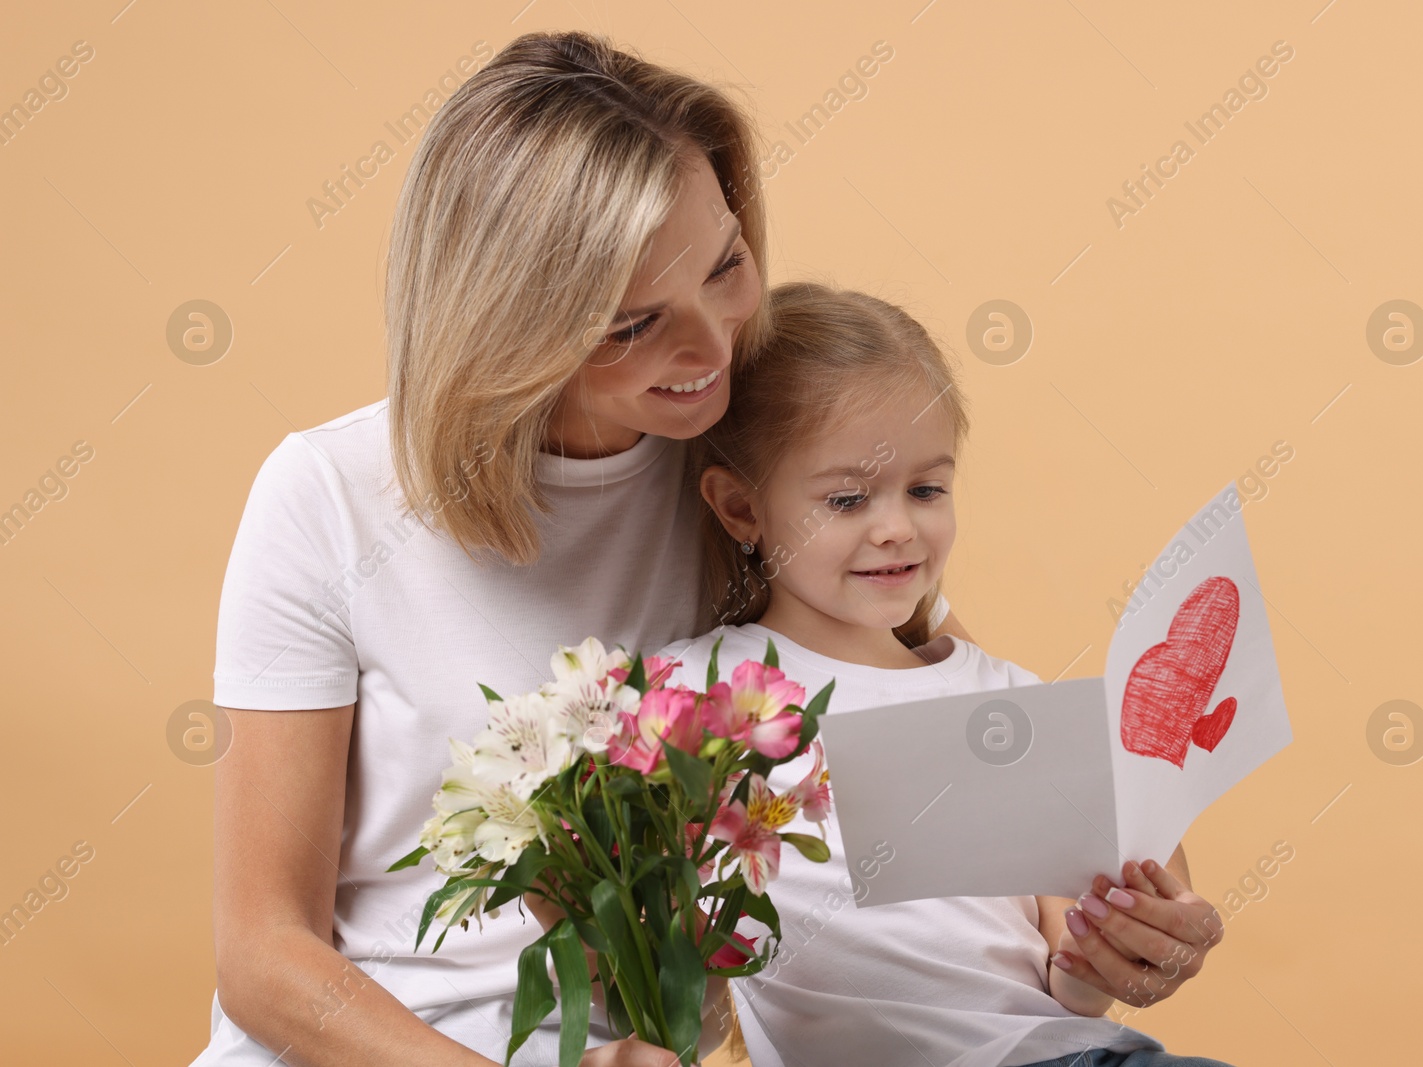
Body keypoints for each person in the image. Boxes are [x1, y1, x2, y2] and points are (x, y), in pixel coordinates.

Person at [191, 30, 851, 1067]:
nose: (713, 346)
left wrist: (1100, 912)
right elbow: (265, 951)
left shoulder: (763, 472)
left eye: (726, 265)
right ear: (507, 324)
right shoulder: (328, 497)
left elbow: (946, 734)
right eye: (633, 324)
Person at [651, 282, 1234, 1067]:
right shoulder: (688, 696)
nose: (898, 528)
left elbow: (1069, 983)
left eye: (927, 488)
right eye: (848, 498)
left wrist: (1099, 963)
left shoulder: (1007, 697)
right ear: (741, 509)